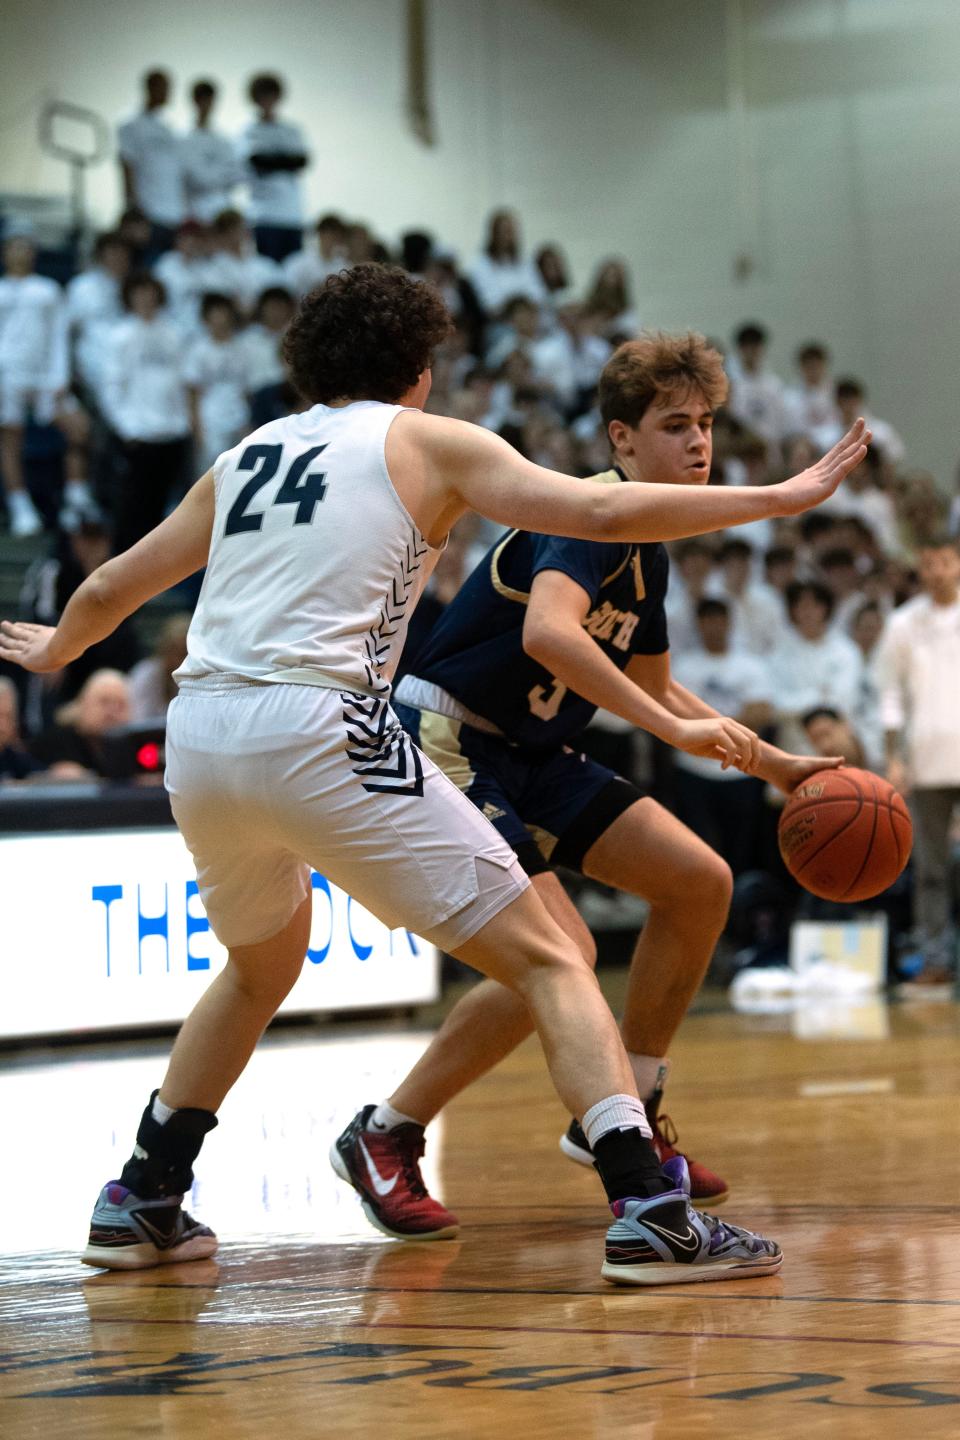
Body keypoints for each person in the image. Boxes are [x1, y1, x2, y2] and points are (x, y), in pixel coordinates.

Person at [0, 266, 866, 1286]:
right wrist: (784, 494)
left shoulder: (245, 456)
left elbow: (110, 585)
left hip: (200, 734)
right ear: (419, 369)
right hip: (322, 724)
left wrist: (59, 650)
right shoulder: (427, 440)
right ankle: (648, 1207)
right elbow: (599, 512)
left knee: (260, 967)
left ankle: (145, 1191)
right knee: (554, 956)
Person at [338, 331, 845, 1239]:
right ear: (620, 441)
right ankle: (387, 1130)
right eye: (675, 425)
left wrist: (767, 760)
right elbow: (550, 636)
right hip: (449, 734)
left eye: (708, 425)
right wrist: (674, 730)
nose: (699, 444)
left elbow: (652, 685)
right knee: (559, 952)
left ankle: (625, 1104)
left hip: (532, 752)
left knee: (699, 881)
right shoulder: (585, 513)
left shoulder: (647, 545)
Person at [880, 535, 960, 985]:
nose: (937, 572)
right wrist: (894, 757)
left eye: (945, 562)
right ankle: (936, 959)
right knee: (930, 869)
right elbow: (891, 694)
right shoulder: (902, 624)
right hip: (927, 760)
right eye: (929, 563)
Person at [0, 231, 92, 537]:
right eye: (15, 246)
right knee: (10, 440)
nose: (21, 252)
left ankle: (76, 499)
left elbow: (58, 337)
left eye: (26, 246)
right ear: (5, 253)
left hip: (45, 378)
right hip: (8, 377)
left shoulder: (48, 290)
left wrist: (59, 377)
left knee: (78, 427)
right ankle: (20, 507)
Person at [100, 273, 192, 554]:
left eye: (150, 292)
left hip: (171, 434)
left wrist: (182, 424)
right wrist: (127, 428)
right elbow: (112, 386)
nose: (145, 299)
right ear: (129, 297)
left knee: (161, 509)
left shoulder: (174, 334)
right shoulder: (120, 335)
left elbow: (182, 383)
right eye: (139, 293)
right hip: (138, 435)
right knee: (131, 509)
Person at [239, 73, 309, 263]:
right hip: (264, 216)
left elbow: (302, 161)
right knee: (267, 271)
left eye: (271, 95)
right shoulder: (249, 131)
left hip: (292, 216)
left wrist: (271, 161)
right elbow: (257, 161)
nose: (268, 101)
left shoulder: (292, 130)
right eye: (263, 96)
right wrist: (285, 161)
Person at [116, 70, 185, 260]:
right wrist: (133, 210)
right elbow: (126, 164)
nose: (166, 93)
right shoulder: (130, 124)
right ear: (150, 88)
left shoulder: (169, 128)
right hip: (148, 213)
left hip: (173, 214)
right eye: (163, 88)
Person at [182, 80, 240, 223]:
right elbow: (188, 177)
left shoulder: (224, 141)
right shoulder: (182, 141)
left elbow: (234, 176)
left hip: (221, 213)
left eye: (209, 100)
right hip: (192, 213)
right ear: (194, 101)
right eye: (202, 99)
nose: (206, 105)